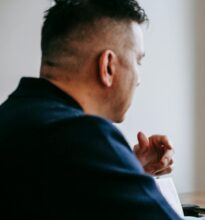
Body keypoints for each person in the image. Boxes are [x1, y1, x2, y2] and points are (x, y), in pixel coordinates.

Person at [0, 0, 181, 219]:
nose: (139, 79)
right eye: (137, 61)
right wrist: (113, 162)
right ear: (107, 66)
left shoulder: (10, 117)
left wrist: (128, 173)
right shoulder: (86, 135)